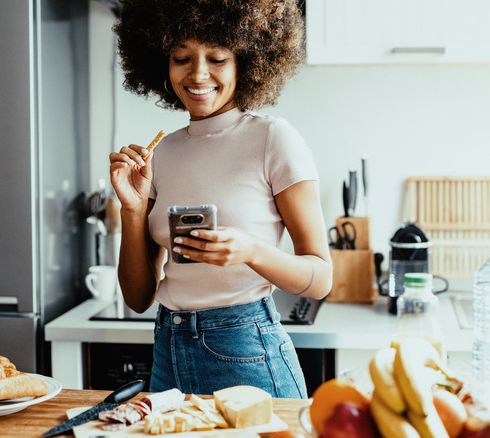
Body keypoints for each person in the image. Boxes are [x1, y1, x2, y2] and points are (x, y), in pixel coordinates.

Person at [108, 0, 333, 398]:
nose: (198, 74)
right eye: (182, 57)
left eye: (217, 58)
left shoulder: (272, 139)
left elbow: (320, 279)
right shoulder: (161, 153)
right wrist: (133, 208)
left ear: (244, 62)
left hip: (246, 351)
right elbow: (138, 297)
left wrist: (250, 251)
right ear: (163, 62)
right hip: (168, 351)